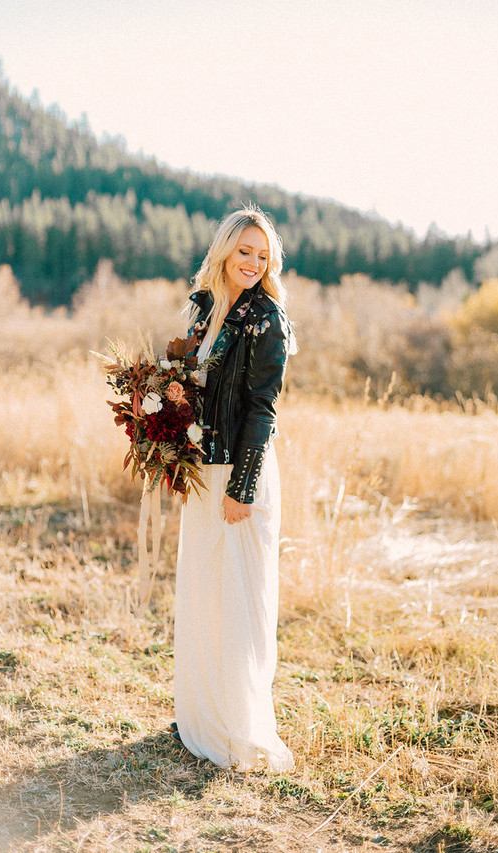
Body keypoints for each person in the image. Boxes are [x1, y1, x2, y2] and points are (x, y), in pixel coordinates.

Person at [173, 206, 295, 772]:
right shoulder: (202, 308)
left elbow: (262, 408)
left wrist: (241, 488)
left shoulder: (266, 318)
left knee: (241, 600)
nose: (253, 263)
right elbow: (189, 380)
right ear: (224, 250)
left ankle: (240, 728)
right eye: (244, 251)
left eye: (262, 255)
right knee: (203, 590)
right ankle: (200, 717)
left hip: (241, 471)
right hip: (203, 468)